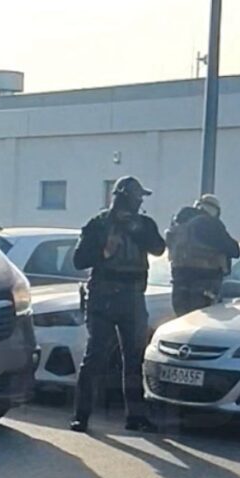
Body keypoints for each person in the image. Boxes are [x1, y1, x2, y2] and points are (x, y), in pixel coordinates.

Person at [70, 176, 165, 434]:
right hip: (103, 296)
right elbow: (78, 260)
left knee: (134, 359)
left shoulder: (144, 224)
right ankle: (81, 416)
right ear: (124, 196)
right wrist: (103, 252)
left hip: (132, 296)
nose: (139, 202)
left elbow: (158, 248)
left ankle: (135, 416)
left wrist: (137, 230)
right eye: (137, 197)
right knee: (96, 356)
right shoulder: (98, 224)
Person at [167, 193, 240, 316]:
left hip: (179, 282)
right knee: (204, 322)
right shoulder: (210, 224)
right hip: (205, 282)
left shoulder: (179, 224)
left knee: (182, 321)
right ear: (214, 210)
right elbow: (234, 250)